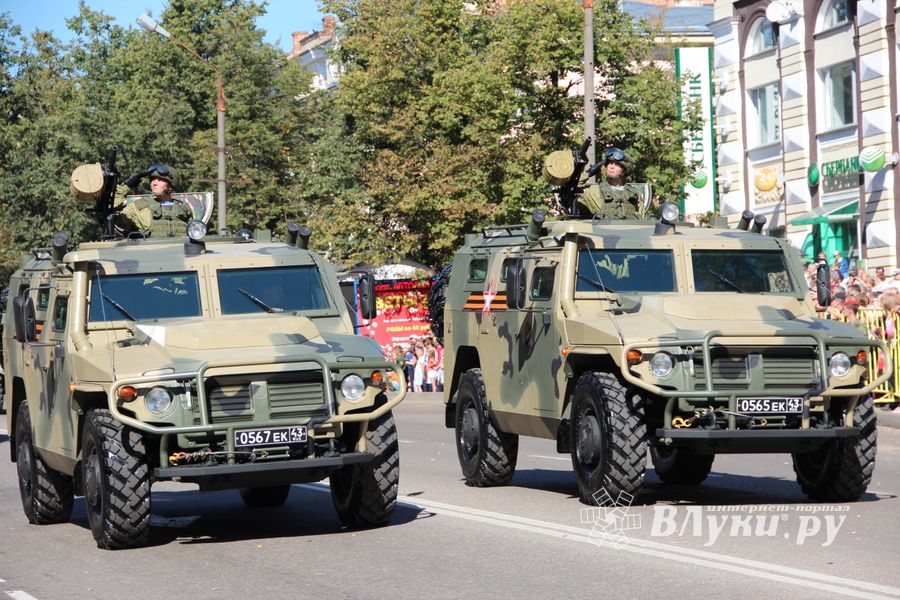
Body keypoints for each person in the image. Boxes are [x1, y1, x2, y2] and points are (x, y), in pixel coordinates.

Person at [117, 163, 194, 237]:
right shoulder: (139, 207)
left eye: (160, 180)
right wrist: (127, 186)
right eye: (152, 180)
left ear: (171, 185)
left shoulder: (184, 207)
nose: (154, 183)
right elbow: (115, 218)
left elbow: (194, 232)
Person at [579, 147, 643, 219]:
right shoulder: (595, 190)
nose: (612, 166)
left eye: (616, 164)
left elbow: (641, 219)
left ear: (624, 171)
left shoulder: (633, 193)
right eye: (610, 163)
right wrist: (589, 172)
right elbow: (574, 186)